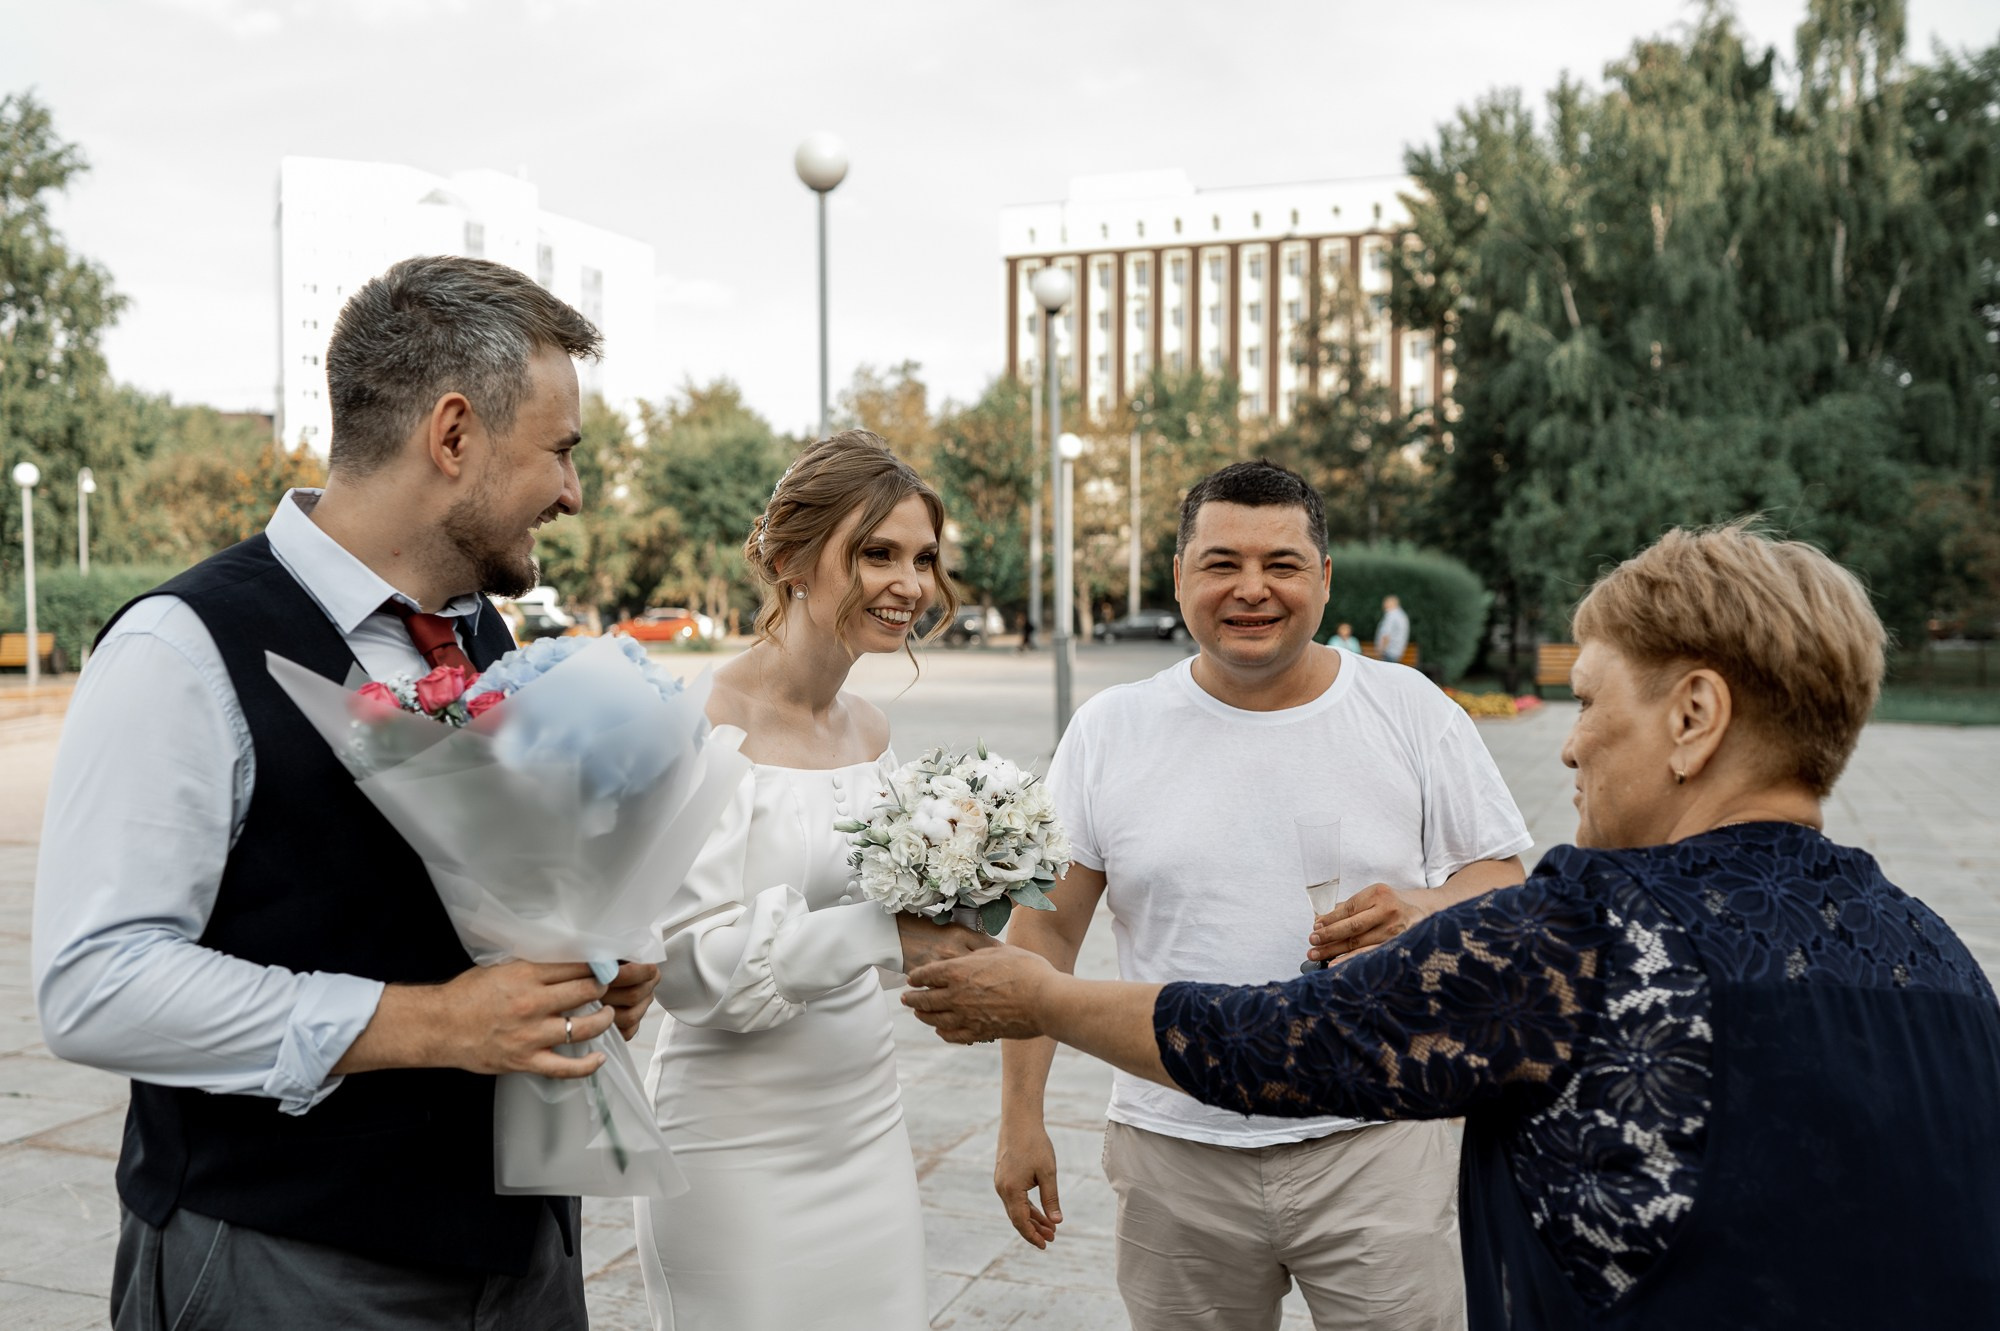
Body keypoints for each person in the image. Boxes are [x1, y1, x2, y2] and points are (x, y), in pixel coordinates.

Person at [906, 522, 2000, 1329]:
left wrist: (1039, 997)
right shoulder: (1942, 962)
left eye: (1586, 701)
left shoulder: (1579, 932)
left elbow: (1282, 1040)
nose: (1567, 749)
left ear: (1691, 716)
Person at [32, 256, 658, 1329]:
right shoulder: (180, 648)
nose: (572, 491)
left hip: (519, 1258)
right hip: (285, 1260)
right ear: (453, 435)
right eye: (560, 450)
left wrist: (587, 955)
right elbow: (96, 982)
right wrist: (433, 1022)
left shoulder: (483, 632)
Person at [994, 459, 1532, 1330]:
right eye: (1221, 563)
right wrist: (1021, 1117)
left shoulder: (1410, 709)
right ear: (1180, 576)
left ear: (1324, 580)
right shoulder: (1109, 729)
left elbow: (1502, 881)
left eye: (1281, 564)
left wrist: (1420, 908)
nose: (1252, 589)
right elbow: (1045, 936)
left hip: (1380, 1139)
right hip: (1174, 1150)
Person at [635, 430, 991, 1331]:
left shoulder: (871, 730)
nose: (909, 582)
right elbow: (690, 966)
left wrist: (973, 882)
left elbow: (891, 908)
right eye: (876, 552)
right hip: (733, 1137)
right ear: (791, 558)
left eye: (922, 557)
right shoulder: (698, 721)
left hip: (865, 1120)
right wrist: (887, 934)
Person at [1374, 593, 1409, 664]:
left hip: (1388, 651)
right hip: (1397, 651)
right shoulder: (1401, 615)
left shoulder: (1391, 615)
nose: (1383, 604)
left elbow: (1386, 634)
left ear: (1391, 603)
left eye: (1385, 602)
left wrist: (1381, 650)